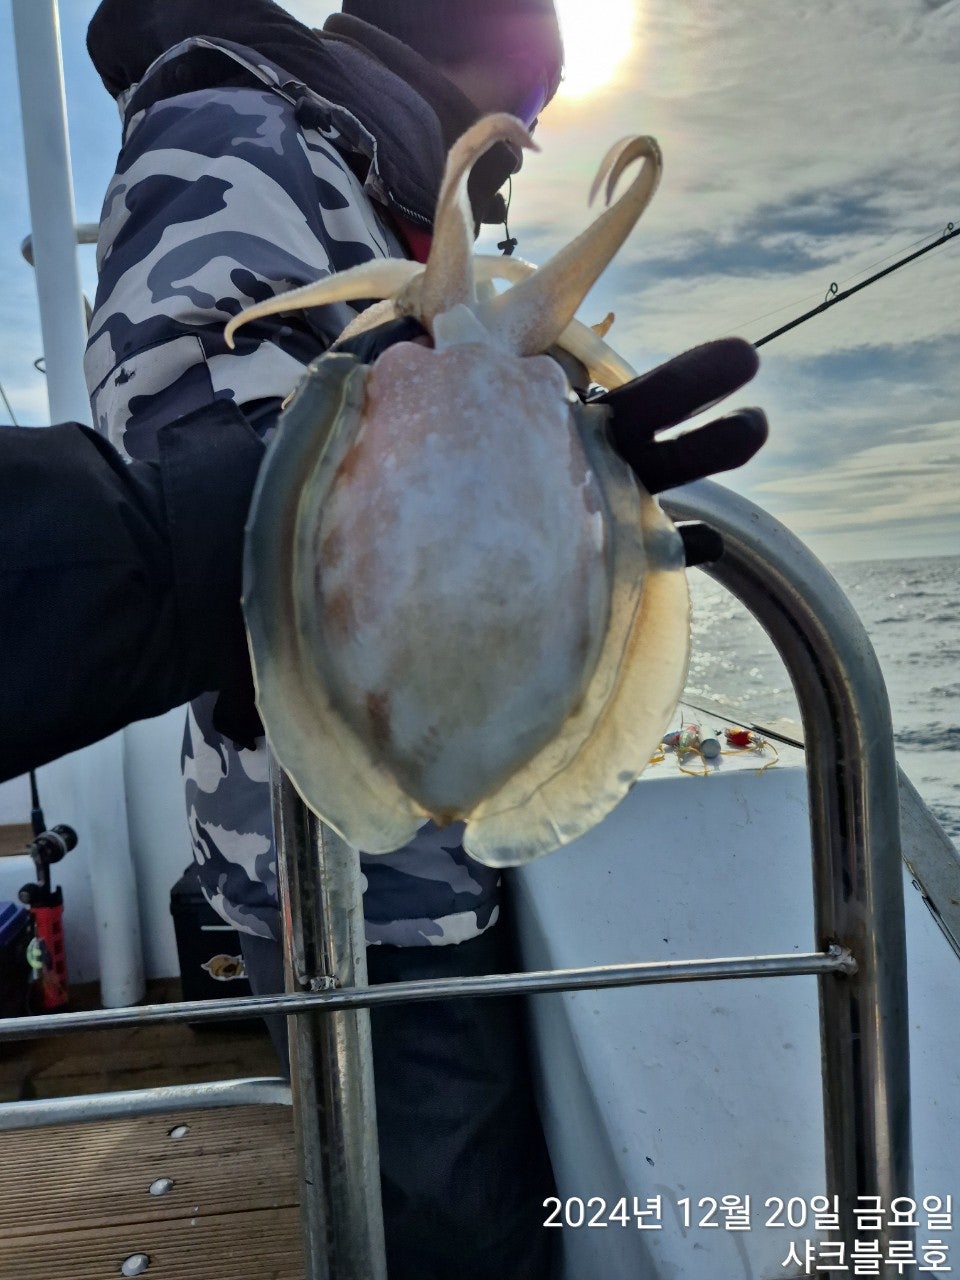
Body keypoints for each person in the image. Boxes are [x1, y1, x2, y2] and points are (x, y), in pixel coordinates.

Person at [0, 1, 767, 1275]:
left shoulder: (359, 173)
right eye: (526, 119)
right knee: (444, 1219)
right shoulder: (235, 126)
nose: (513, 162)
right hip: (340, 865)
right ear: (499, 73)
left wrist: (542, 450)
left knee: (456, 1178)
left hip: (433, 843)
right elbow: (187, 415)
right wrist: (454, 435)